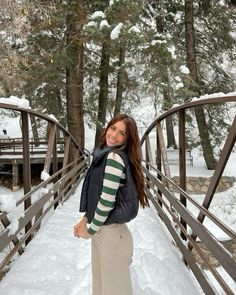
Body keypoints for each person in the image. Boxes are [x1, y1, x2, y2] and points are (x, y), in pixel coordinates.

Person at [73, 114, 149, 295]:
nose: (114, 135)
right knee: (100, 289)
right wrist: (86, 219)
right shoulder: (105, 154)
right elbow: (98, 194)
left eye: (121, 133)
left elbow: (106, 202)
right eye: (113, 128)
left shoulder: (113, 158)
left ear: (127, 139)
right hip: (105, 232)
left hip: (111, 237)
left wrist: (89, 230)